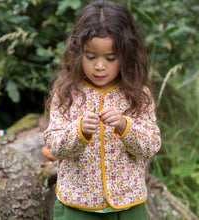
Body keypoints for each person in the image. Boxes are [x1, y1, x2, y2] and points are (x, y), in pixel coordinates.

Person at [43, 0, 161, 219]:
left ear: (127, 54)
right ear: (78, 52)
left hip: (128, 205)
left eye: (110, 58)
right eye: (91, 56)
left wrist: (126, 126)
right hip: (76, 206)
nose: (99, 66)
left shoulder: (138, 93)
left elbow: (151, 145)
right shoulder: (67, 93)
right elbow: (54, 146)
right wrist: (80, 132)